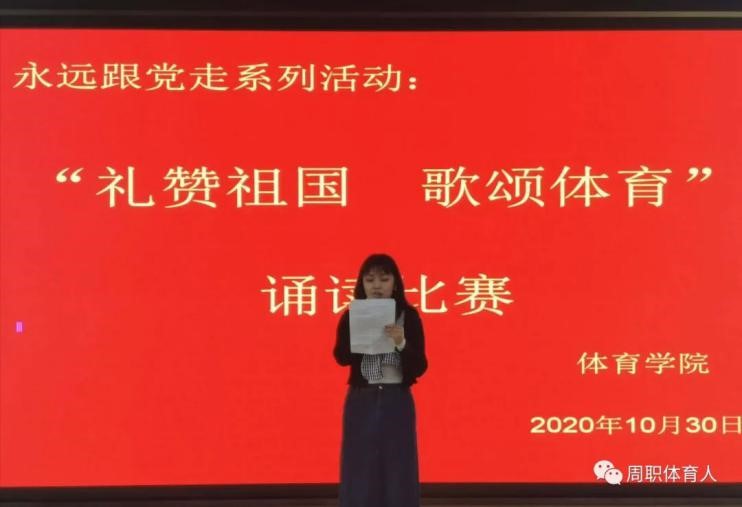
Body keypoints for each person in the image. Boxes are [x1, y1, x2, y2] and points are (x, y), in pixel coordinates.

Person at [333, 253, 428, 507]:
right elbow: (340, 357)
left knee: (399, 464)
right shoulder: (351, 315)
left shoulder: (409, 316)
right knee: (359, 465)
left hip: (397, 397)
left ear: (395, 283)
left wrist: (401, 342)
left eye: (384, 279)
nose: (377, 286)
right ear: (361, 284)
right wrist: (357, 334)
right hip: (361, 398)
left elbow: (420, 366)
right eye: (370, 280)